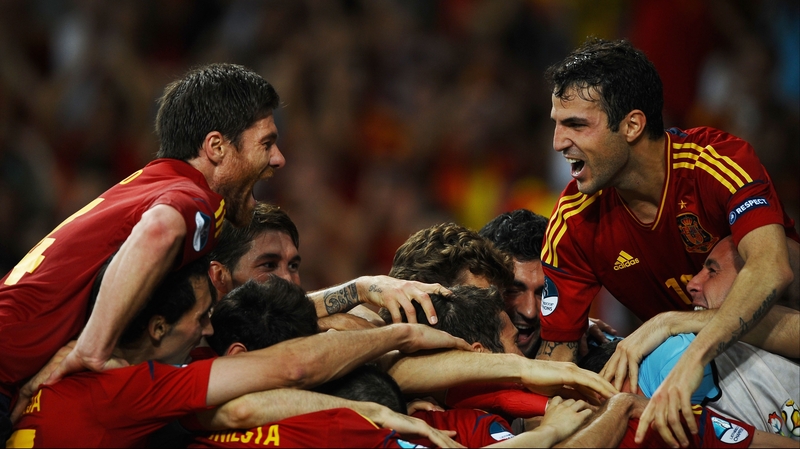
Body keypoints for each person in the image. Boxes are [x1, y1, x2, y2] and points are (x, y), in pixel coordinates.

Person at [537, 37, 799, 446]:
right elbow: (556, 363)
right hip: (691, 393)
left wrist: (681, 336)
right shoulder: (573, 223)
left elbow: (773, 268)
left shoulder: (715, 163)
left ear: (632, 125)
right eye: (557, 123)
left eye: (576, 125)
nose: (558, 142)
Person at [0, 63, 286, 430]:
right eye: (266, 143)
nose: (278, 158)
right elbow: (159, 229)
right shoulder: (198, 197)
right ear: (216, 147)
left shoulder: (149, 182)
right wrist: (91, 349)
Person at [7, 270, 472, 447]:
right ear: (158, 329)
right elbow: (290, 367)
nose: (208, 329)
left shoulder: (67, 367)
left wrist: (359, 288)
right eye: (201, 318)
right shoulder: (136, 389)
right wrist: (401, 335)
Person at [596, 236, 800, 441]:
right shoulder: (672, 354)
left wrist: (668, 322)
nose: (691, 284)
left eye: (713, 272)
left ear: (761, 287)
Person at [207, 202, 445, 331]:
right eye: (268, 265)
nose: (288, 280)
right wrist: (361, 288)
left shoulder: (314, 327)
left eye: (293, 266)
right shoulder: (195, 347)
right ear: (219, 276)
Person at [479, 208, 617, 358]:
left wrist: (570, 327)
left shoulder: (602, 354)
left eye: (545, 294)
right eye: (512, 291)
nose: (530, 311)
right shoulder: (458, 347)